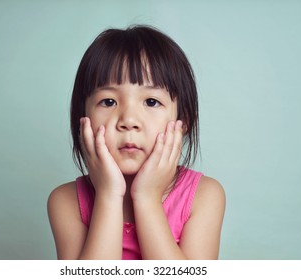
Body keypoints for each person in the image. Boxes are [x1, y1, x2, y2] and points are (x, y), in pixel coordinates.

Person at [47, 25, 225, 260]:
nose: (129, 121)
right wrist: (108, 194)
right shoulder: (67, 202)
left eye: (151, 102)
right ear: (83, 119)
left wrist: (147, 197)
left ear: (183, 122)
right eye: (108, 101)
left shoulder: (203, 196)